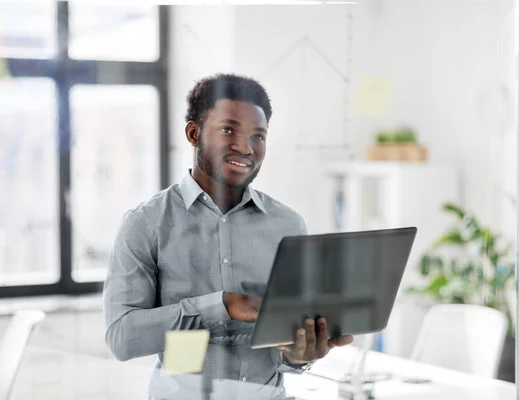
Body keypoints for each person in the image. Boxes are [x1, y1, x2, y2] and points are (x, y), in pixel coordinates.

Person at [103, 73, 353, 399]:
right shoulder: (147, 224)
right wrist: (222, 306)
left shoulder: (287, 225)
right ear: (194, 134)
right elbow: (122, 339)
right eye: (228, 130)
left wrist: (299, 355)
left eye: (258, 136)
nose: (245, 147)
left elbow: (286, 344)